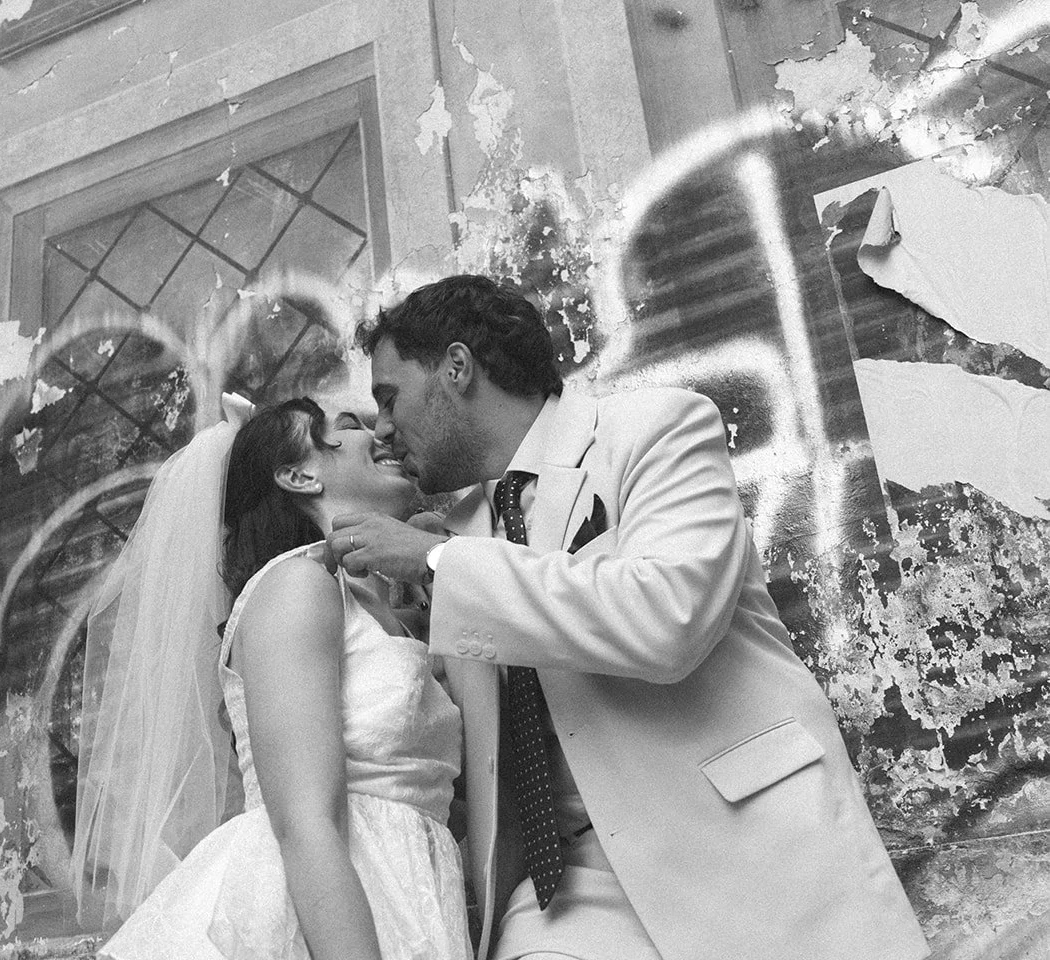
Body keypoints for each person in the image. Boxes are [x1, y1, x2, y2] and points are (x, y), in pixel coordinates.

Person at [325, 274, 930, 960]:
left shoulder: (654, 429)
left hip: (733, 841)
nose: (380, 427)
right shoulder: (458, 531)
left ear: (457, 367)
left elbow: (668, 621)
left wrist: (440, 564)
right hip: (563, 893)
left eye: (387, 396)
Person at [72, 392, 473, 960]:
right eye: (349, 426)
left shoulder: (385, 612)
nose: (379, 434)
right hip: (319, 914)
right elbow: (307, 823)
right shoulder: (297, 585)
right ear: (298, 476)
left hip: (409, 893)